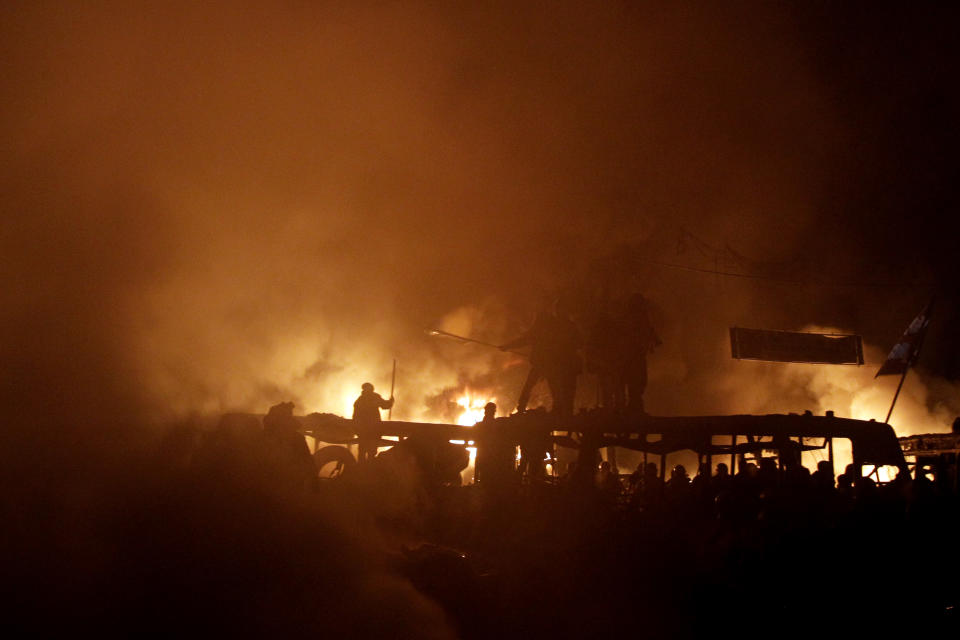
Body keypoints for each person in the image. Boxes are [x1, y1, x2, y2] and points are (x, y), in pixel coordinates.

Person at [501, 298, 582, 416]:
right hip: (551, 362)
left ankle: (527, 408)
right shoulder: (558, 325)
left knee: (543, 385)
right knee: (552, 386)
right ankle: (558, 410)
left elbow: (528, 338)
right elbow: (528, 338)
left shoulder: (552, 325)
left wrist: (508, 346)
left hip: (551, 362)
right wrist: (508, 346)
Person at [352, 382, 394, 463]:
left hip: (363, 431)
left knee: (362, 452)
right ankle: (368, 470)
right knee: (371, 452)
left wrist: (357, 429)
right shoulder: (374, 397)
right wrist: (391, 402)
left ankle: (361, 470)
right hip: (373, 430)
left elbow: (355, 417)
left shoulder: (359, 400)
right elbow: (385, 405)